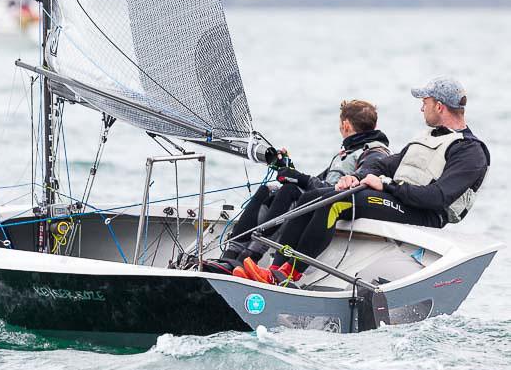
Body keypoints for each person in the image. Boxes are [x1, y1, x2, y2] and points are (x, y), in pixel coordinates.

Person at [240, 77, 490, 287]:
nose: (421, 108)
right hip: (400, 199)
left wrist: (388, 186)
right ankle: (274, 269)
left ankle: (287, 276)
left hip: (425, 213)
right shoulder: (426, 136)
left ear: (439, 106)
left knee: (334, 202)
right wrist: (355, 177)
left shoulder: (470, 151)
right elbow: (386, 165)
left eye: (424, 103)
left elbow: (437, 198)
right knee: (313, 197)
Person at [206, 100, 391, 275]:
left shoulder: (375, 153)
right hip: (319, 197)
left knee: (289, 191)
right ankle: (229, 256)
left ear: (346, 126)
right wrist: (287, 169)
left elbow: (347, 185)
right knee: (268, 190)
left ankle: (249, 258)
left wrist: (299, 179)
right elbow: (318, 182)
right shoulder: (348, 152)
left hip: (339, 204)